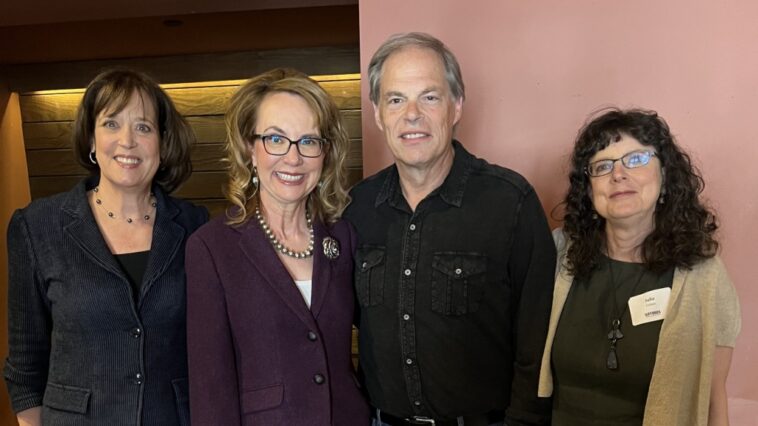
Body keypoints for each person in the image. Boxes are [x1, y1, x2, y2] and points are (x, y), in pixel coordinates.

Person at [344, 32, 556, 426]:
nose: (411, 115)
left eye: (429, 96)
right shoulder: (356, 208)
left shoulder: (509, 202)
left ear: (456, 106)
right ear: (377, 114)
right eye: (395, 99)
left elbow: (538, 339)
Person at [4, 69, 208, 426]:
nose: (127, 141)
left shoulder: (196, 226)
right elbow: (25, 365)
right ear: (91, 141)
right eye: (111, 124)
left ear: (162, 141)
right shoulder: (38, 226)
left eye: (143, 127)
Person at [185, 68, 369, 425]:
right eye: (275, 139)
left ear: (325, 154)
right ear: (249, 150)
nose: (293, 157)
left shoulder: (343, 237)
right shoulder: (211, 248)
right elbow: (211, 387)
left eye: (309, 141)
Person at [538, 108, 741, 425]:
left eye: (636, 159)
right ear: (589, 190)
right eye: (602, 166)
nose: (618, 174)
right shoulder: (558, 255)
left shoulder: (705, 277)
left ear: (665, 177)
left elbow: (713, 399)